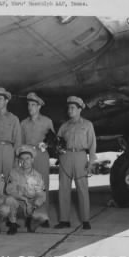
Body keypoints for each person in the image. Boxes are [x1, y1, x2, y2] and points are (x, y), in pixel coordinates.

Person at [54, 96, 97, 230]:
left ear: (79, 110)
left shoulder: (87, 125)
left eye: (73, 108)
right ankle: (64, 220)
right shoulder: (64, 126)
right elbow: (57, 142)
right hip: (65, 157)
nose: (70, 110)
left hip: (80, 156)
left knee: (82, 189)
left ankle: (85, 220)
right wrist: (57, 149)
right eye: (69, 108)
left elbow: (92, 145)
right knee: (63, 189)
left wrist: (91, 162)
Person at [20, 92, 55, 210]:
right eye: (29, 105)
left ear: (39, 106)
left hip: (41, 155)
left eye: (33, 105)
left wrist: (47, 144)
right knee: (28, 185)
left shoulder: (47, 121)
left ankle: (44, 215)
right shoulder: (23, 123)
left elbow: (53, 140)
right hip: (27, 156)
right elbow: (21, 143)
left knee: (43, 184)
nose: (30, 107)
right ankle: (29, 214)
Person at [5, 145, 49, 235]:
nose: (25, 161)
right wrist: (24, 199)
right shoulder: (13, 173)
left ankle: (31, 219)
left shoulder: (38, 176)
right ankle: (13, 224)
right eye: (22, 159)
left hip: (32, 204)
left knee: (42, 217)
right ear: (19, 160)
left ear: (32, 160)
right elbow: (9, 190)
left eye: (27, 158)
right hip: (19, 203)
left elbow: (41, 194)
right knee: (9, 199)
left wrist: (34, 206)